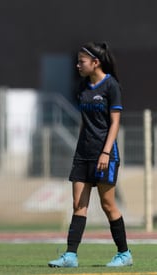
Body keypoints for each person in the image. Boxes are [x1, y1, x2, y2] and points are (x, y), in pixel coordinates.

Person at [48, 42, 133, 268]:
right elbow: (85, 123)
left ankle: (124, 254)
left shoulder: (111, 86)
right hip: (83, 153)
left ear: (96, 63)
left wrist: (105, 152)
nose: (77, 65)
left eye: (81, 61)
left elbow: (115, 123)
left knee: (107, 204)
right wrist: (82, 149)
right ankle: (70, 256)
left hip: (105, 153)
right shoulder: (82, 87)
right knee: (78, 204)